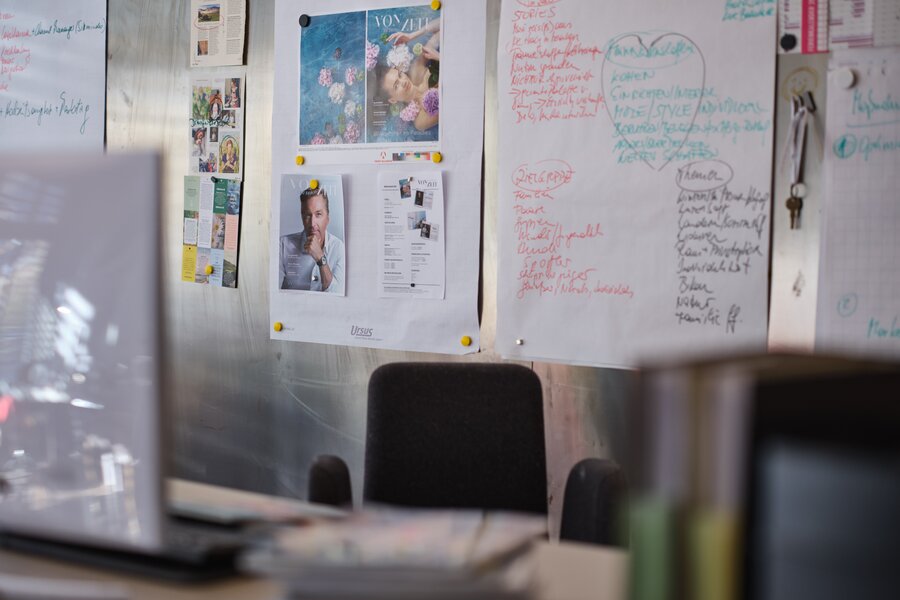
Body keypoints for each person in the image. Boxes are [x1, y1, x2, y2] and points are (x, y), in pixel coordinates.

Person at [372, 19, 441, 132]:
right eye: (396, 86)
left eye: (400, 75)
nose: (403, 82)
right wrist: (440, 58)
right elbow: (454, 101)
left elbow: (441, 27)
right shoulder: (420, 120)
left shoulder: (416, 70)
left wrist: (412, 35)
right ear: (393, 100)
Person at [280, 187, 345, 293]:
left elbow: (336, 294)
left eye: (318, 214)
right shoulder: (283, 245)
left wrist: (320, 258)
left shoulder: (339, 248)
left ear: (327, 218)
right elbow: (273, 291)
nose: (312, 223)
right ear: (302, 218)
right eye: (307, 215)